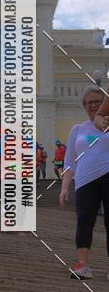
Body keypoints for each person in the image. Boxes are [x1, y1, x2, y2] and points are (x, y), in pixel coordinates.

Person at [61, 86, 109, 279]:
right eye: (90, 102)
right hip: (85, 181)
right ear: (84, 106)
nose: (94, 105)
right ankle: (82, 265)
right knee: (84, 221)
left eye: (98, 101)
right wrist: (64, 187)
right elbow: (69, 161)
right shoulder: (78, 129)